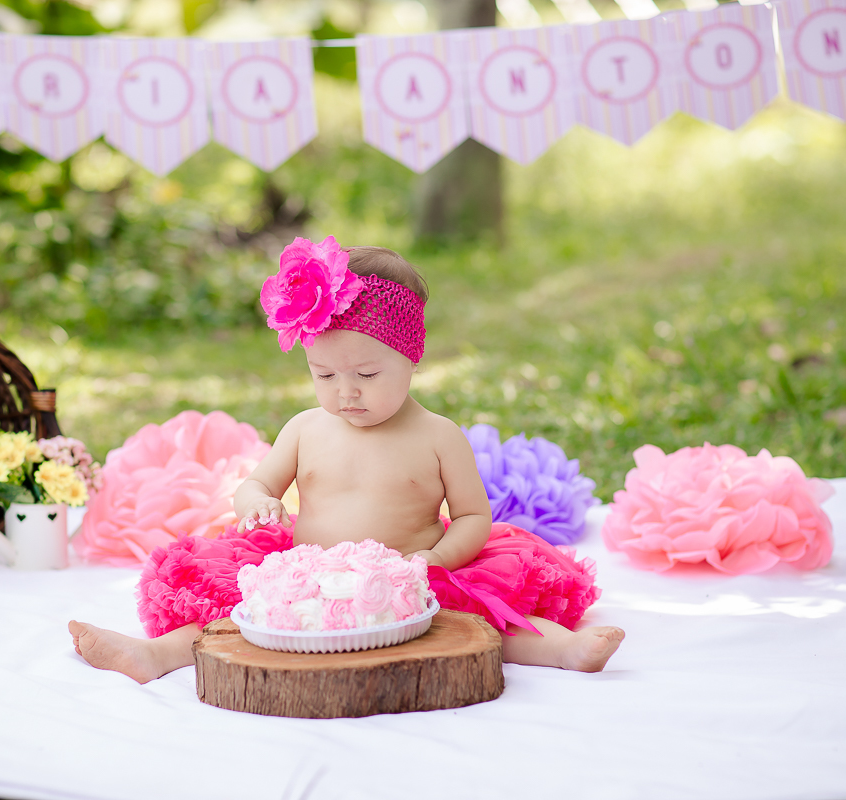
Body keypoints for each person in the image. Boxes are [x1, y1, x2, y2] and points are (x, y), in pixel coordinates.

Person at [69, 237, 624, 683]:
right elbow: (255, 483)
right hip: (308, 575)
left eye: (366, 375)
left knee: (485, 621)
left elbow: (476, 517)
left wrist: (435, 560)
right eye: (325, 375)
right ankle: (156, 656)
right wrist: (258, 501)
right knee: (234, 614)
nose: (346, 393)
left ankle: (564, 650)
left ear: (411, 360)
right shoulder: (306, 428)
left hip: (412, 576)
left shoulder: (437, 436)